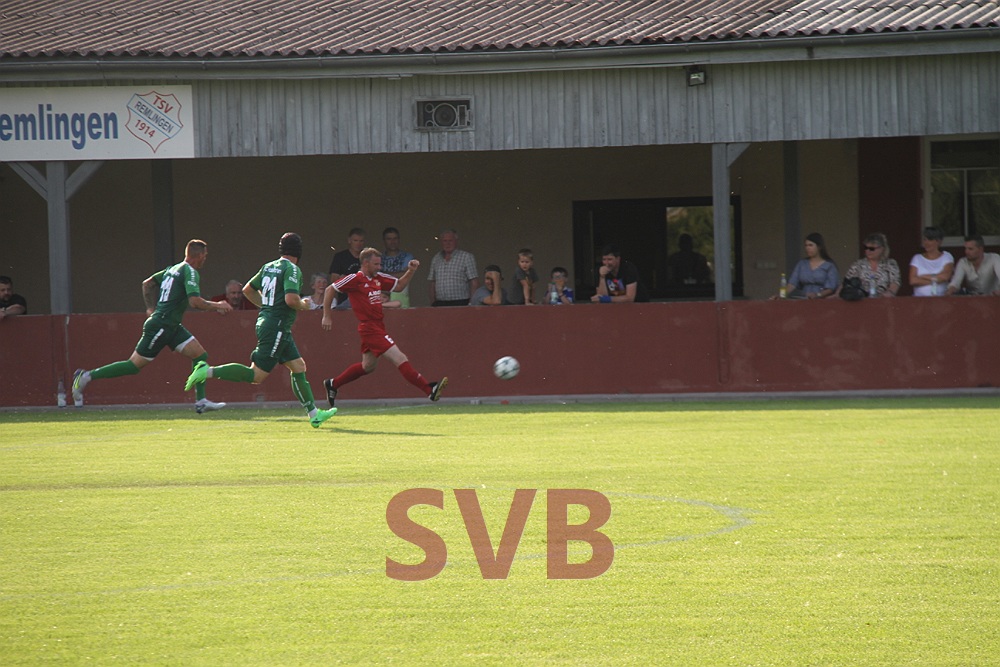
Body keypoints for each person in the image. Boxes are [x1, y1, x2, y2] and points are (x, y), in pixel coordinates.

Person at [184, 233, 337, 429]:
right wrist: (304, 305)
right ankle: (207, 371)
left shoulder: (268, 266)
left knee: (298, 366)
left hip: (273, 324)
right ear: (299, 251)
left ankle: (314, 414)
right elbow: (291, 300)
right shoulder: (292, 269)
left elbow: (248, 289)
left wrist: (267, 306)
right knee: (256, 375)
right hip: (277, 326)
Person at [72, 239, 232, 413]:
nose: (205, 259)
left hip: (171, 325)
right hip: (162, 325)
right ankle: (86, 376)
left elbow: (147, 283)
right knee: (133, 366)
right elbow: (195, 302)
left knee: (200, 355)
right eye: (205, 256)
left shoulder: (172, 269)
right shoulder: (190, 272)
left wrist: (150, 308)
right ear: (199, 255)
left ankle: (201, 401)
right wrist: (218, 305)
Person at [321, 247, 447, 406]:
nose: (379, 267)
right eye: (376, 264)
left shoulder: (378, 278)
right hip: (370, 328)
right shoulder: (355, 279)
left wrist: (411, 270)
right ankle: (429, 390)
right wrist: (326, 315)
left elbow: (399, 285)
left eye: (380, 264)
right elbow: (330, 289)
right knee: (400, 358)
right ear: (365, 263)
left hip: (378, 326)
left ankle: (333, 384)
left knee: (368, 366)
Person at [771, 233, 839, 299]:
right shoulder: (802, 264)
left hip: (823, 301)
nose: (807, 248)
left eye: (810, 245)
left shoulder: (829, 266)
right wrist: (781, 295)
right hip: (805, 299)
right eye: (806, 245)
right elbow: (792, 284)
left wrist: (818, 295)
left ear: (819, 247)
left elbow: (831, 288)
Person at [428, 228, 478, 306]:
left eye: (450, 241)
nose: (447, 244)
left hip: (461, 302)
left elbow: (474, 282)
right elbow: (432, 282)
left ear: (456, 241)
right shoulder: (436, 259)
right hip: (440, 303)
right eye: (445, 241)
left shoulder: (466, 257)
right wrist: (433, 303)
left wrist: (472, 303)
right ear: (441, 242)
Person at [842, 232, 901, 297]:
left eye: (872, 249)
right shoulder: (858, 264)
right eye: (866, 248)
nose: (868, 251)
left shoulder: (890, 264)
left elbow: (895, 282)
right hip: (862, 300)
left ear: (882, 249)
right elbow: (846, 282)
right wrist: (837, 295)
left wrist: (890, 292)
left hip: (883, 299)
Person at [909, 226, 954, 297]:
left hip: (941, 299)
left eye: (930, 240)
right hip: (919, 299)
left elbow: (945, 277)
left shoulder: (946, 257)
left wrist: (922, 276)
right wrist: (936, 280)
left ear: (938, 241)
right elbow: (913, 280)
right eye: (924, 240)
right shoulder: (917, 258)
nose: (926, 243)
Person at [328, 227, 366, 310]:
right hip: (344, 301)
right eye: (355, 240)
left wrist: (345, 278)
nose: (358, 244)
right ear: (349, 241)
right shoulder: (340, 257)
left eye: (361, 241)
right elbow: (333, 279)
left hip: (365, 301)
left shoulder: (367, 257)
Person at [381, 226, 415, 308]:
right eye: (389, 239)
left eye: (395, 238)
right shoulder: (379, 258)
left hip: (401, 298)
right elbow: (374, 276)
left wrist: (383, 275)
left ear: (399, 240)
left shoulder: (407, 257)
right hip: (382, 300)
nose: (392, 242)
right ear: (384, 241)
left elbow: (406, 274)